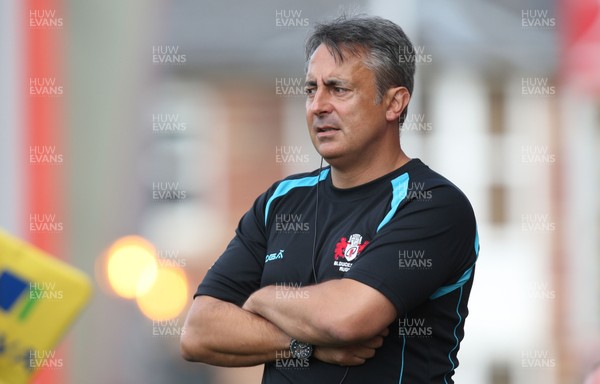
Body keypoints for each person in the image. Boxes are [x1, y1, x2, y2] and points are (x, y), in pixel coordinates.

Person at [181, 14, 479, 383]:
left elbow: (347, 319)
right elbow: (199, 332)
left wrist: (260, 300)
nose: (318, 106)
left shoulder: (433, 204)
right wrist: (305, 345)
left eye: (338, 89)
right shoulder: (280, 201)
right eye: (310, 90)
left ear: (394, 103)